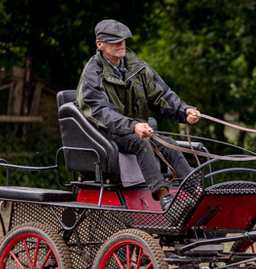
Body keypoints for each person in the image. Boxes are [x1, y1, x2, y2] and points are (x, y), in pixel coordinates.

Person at [76, 19, 201, 211]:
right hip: (105, 134)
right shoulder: (92, 73)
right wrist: (132, 126)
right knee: (141, 142)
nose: (121, 44)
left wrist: (184, 111)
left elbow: (162, 95)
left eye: (123, 39)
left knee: (171, 145)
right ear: (99, 44)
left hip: (138, 129)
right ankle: (163, 197)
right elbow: (101, 112)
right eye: (114, 40)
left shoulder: (138, 67)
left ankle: (197, 192)